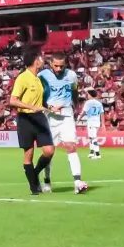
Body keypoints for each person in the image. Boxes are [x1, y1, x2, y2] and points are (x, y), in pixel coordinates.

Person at [38, 53, 88, 194]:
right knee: (49, 152)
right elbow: (37, 96)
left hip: (66, 115)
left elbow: (75, 91)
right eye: (56, 66)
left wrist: (76, 106)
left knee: (71, 146)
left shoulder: (71, 75)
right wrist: (47, 108)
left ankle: (77, 182)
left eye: (62, 66)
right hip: (49, 116)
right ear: (50, 64)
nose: (59, 69)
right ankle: (47, 182)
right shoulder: (42, 76)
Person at [9, 47, 55, 195]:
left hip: (39, 117)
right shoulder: (22, 78)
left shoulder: (38, 78)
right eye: (40, 58)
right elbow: (13, 100)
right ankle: (33, 187)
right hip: (25, 118)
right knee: (28, 154)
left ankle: (34, 174)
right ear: (36, 62)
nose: (42, 60)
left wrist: (49, 107)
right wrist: (31, 107)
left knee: (49, 151)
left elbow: (39, 100)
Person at [82, 89, 105, 159]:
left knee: (93, 137)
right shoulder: (99, 103)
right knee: (91, 137)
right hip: (97, 122)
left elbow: (83, 112)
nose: (87, 96)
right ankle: (92, 152)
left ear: (90, 95)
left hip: (91, 122)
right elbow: (102, 113)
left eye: (88, 94)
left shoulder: (88, 102)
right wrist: (103, 124)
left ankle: (97, 154)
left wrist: (78, 119)